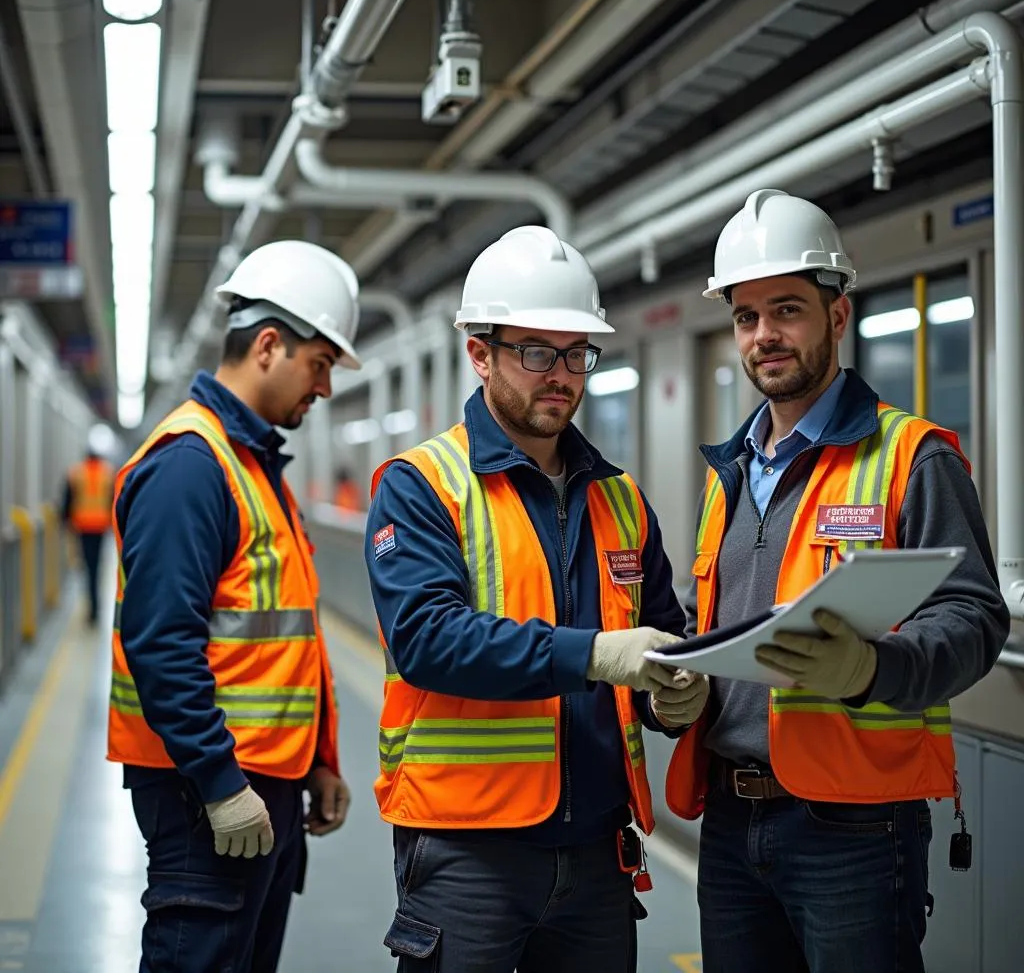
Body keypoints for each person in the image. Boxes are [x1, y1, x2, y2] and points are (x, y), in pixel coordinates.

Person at [665, 189, 1010, 973]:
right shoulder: (728, 475)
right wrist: (674, 687)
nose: (764, 336)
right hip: (729, 815)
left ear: (839, 315)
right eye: (746, 317)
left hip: (854, 829)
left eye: (786, 309)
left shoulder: (913, 458)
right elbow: (708, 618)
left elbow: (975, 618)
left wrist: (872, 670)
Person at [365, 225, 708, 973]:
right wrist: (592, 654)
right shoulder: (423, 484)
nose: (561, 374)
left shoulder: (620, 498)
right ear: (480, 353)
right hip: (467, 852)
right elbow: (426, 639)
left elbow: (661, 637)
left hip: (597, 850)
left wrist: (672, 696)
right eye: (535, 352)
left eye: (577, 353)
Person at [107, 240, 361, 973]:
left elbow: (277, 638)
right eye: (319, 365)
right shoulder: (192, 464)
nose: (324, 388)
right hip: (207, 793)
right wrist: (220, 783)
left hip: (261, 782)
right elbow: (162, 643)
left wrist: (314, 761)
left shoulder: (250, 464)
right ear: (270, 345)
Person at [62, 432, 115, 625]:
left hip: (82, 527)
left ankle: (92, 607)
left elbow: (67, 502)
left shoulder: (76, 472)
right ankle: (96, 607)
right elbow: (114, 500)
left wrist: (65, 522)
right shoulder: (108, 472)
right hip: (100, 527)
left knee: (87, 567)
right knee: (97, 568)